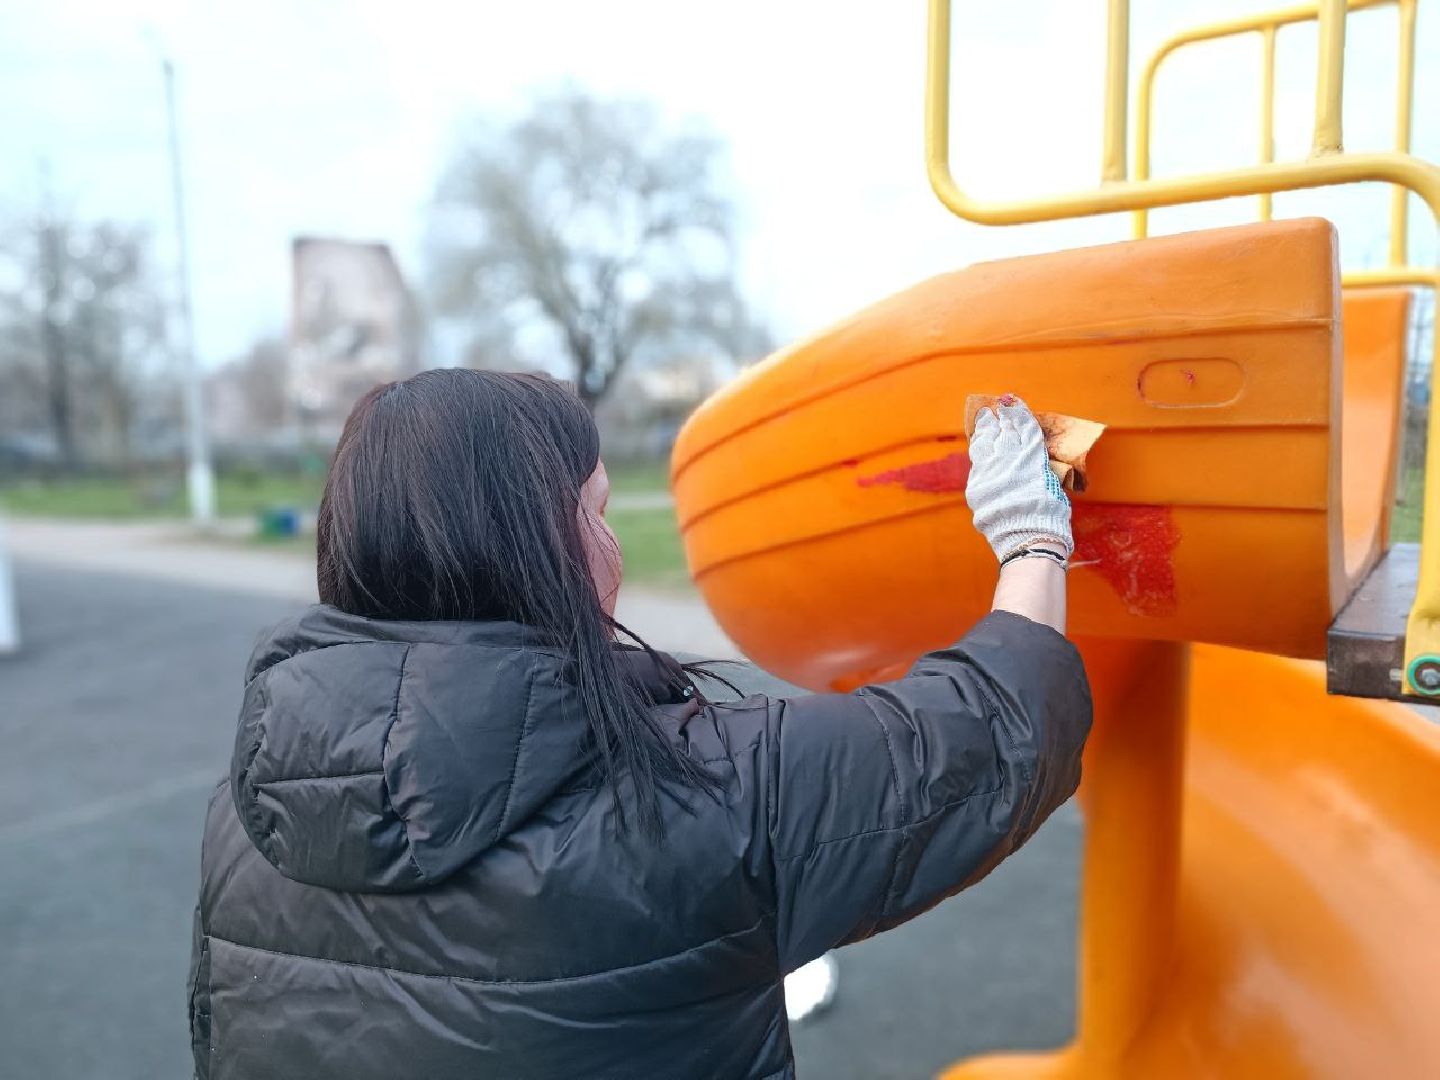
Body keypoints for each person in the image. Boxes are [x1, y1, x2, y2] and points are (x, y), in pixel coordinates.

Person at [188, 371, 1090, 1080]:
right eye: (600, 510)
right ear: (543, 541)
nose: (613, 544)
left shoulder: (247, 813)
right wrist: (1030, 540)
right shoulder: (700, 796)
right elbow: (993, 730)